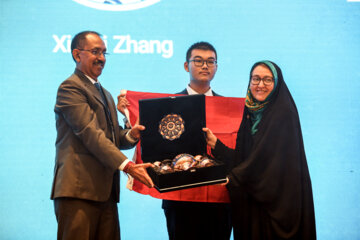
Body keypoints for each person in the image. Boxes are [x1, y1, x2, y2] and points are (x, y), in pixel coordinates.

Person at [51, 31, 154, 240]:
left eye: (104, 53)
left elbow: (113, 137)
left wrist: (131, 135)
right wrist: (129, 167)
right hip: (78, 192)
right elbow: (90, 134)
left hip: (106, 194)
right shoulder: (70, 88)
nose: (102, 58)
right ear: (77, 54)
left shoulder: (105, 93)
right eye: (95, 52)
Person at [203, 60, 316, 239]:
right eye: (255, 79)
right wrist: (216, 144)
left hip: (278, 210)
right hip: (255, 206)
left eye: (267, 80)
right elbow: (247, 159)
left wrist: (233, 178)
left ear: (277, 83)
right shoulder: (251, 113)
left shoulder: (283, 113)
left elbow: (267, 165)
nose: (260, 85)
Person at [161, 42, 232, 240]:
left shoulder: (228, 109)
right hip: (180, 200)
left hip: (219, 200)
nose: (205, 66)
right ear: (186, 66)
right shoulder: (167, 105)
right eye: (198, 61)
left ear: (216, 67)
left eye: (211, 61)